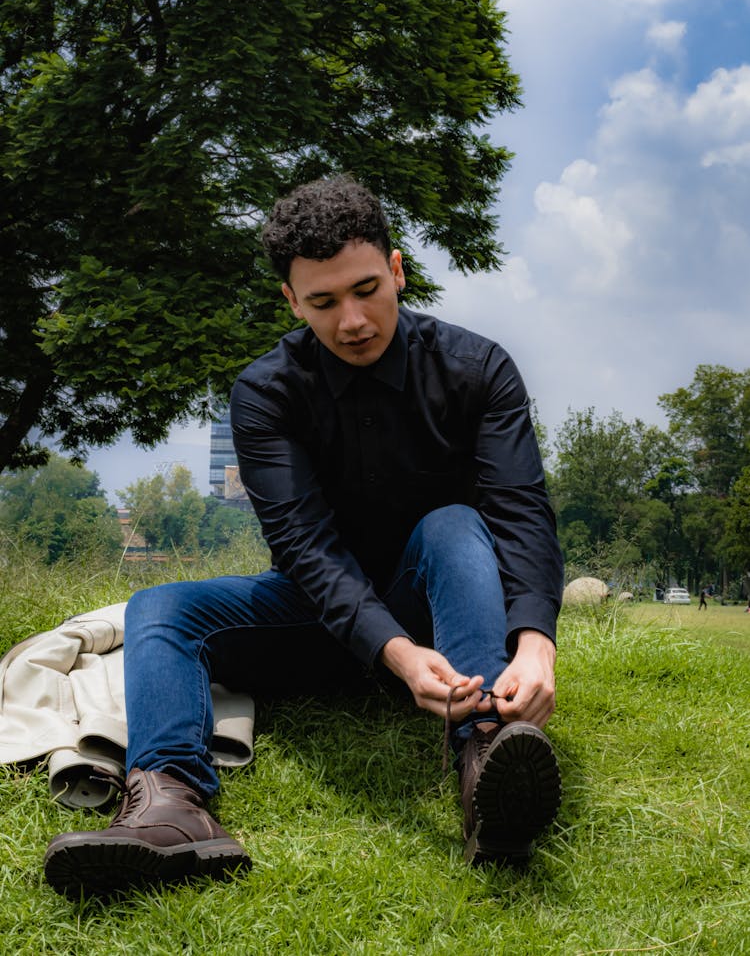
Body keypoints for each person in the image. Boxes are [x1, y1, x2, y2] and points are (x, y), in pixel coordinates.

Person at [43, 175, 564, 897]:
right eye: (323, 302)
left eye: (366, 289)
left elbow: (521, 511)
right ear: (291, 301)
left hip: (444, 611)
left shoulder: (480, 369)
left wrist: (535, 640)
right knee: (158, 608)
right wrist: (397, 655)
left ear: (398, 269)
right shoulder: (265, 394)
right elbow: (306, 548)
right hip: (321, 615)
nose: (352, 319)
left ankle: (488, 754)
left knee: (455, 523)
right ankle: (171, 807)